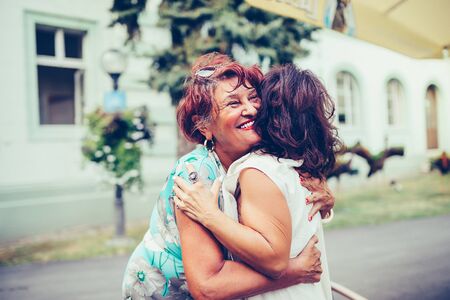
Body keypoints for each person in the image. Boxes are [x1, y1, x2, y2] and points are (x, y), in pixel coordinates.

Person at [122, 53, 334, 299]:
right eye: (233, 103)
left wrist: (323, 197)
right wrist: (295, 271)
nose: (251, 109)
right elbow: (206, 286)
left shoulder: (260, 157)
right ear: (204, 127)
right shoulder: (195, 175)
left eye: (254, 98)